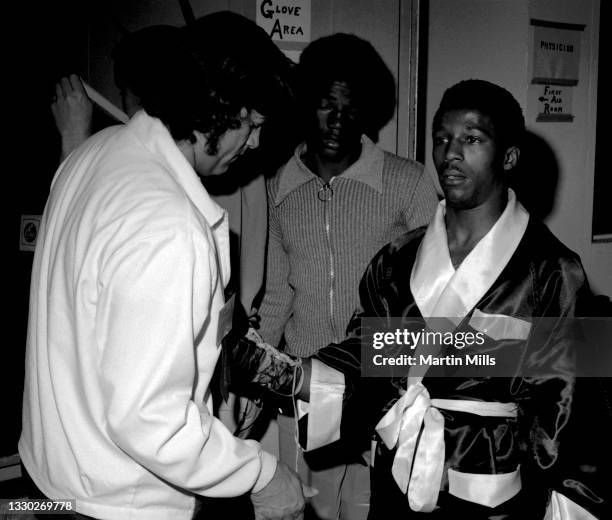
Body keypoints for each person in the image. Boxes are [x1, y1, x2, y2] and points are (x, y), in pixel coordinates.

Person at [237, 79, 607, 518]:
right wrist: (278, 372)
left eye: (471, 139)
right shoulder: (396, 260)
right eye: (442, 139)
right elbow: (369, 360)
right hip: (401, 472)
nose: (451, 153)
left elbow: (575, 409)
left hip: (495, 492)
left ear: (508, 155)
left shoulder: (555, 269)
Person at [19, 24, 306, 520]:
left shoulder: (92, 154)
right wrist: (259, 473)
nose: (256, 144)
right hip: (113, 504)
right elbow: (151, 421)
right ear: (219, 108)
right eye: (253, 125)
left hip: (46, 484)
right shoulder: (168, 225)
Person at [256, 33, 438, 520]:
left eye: (351, 109)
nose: (338, 121)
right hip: (304, 387)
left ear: (369, 112)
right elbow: (276, 297)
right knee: (301, 509)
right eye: (325, 105)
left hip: (379, 388)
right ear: (305, 104)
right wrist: (254, 389)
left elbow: (438, 292)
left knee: (368, 510)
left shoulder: (407, 180)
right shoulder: (280, 186)